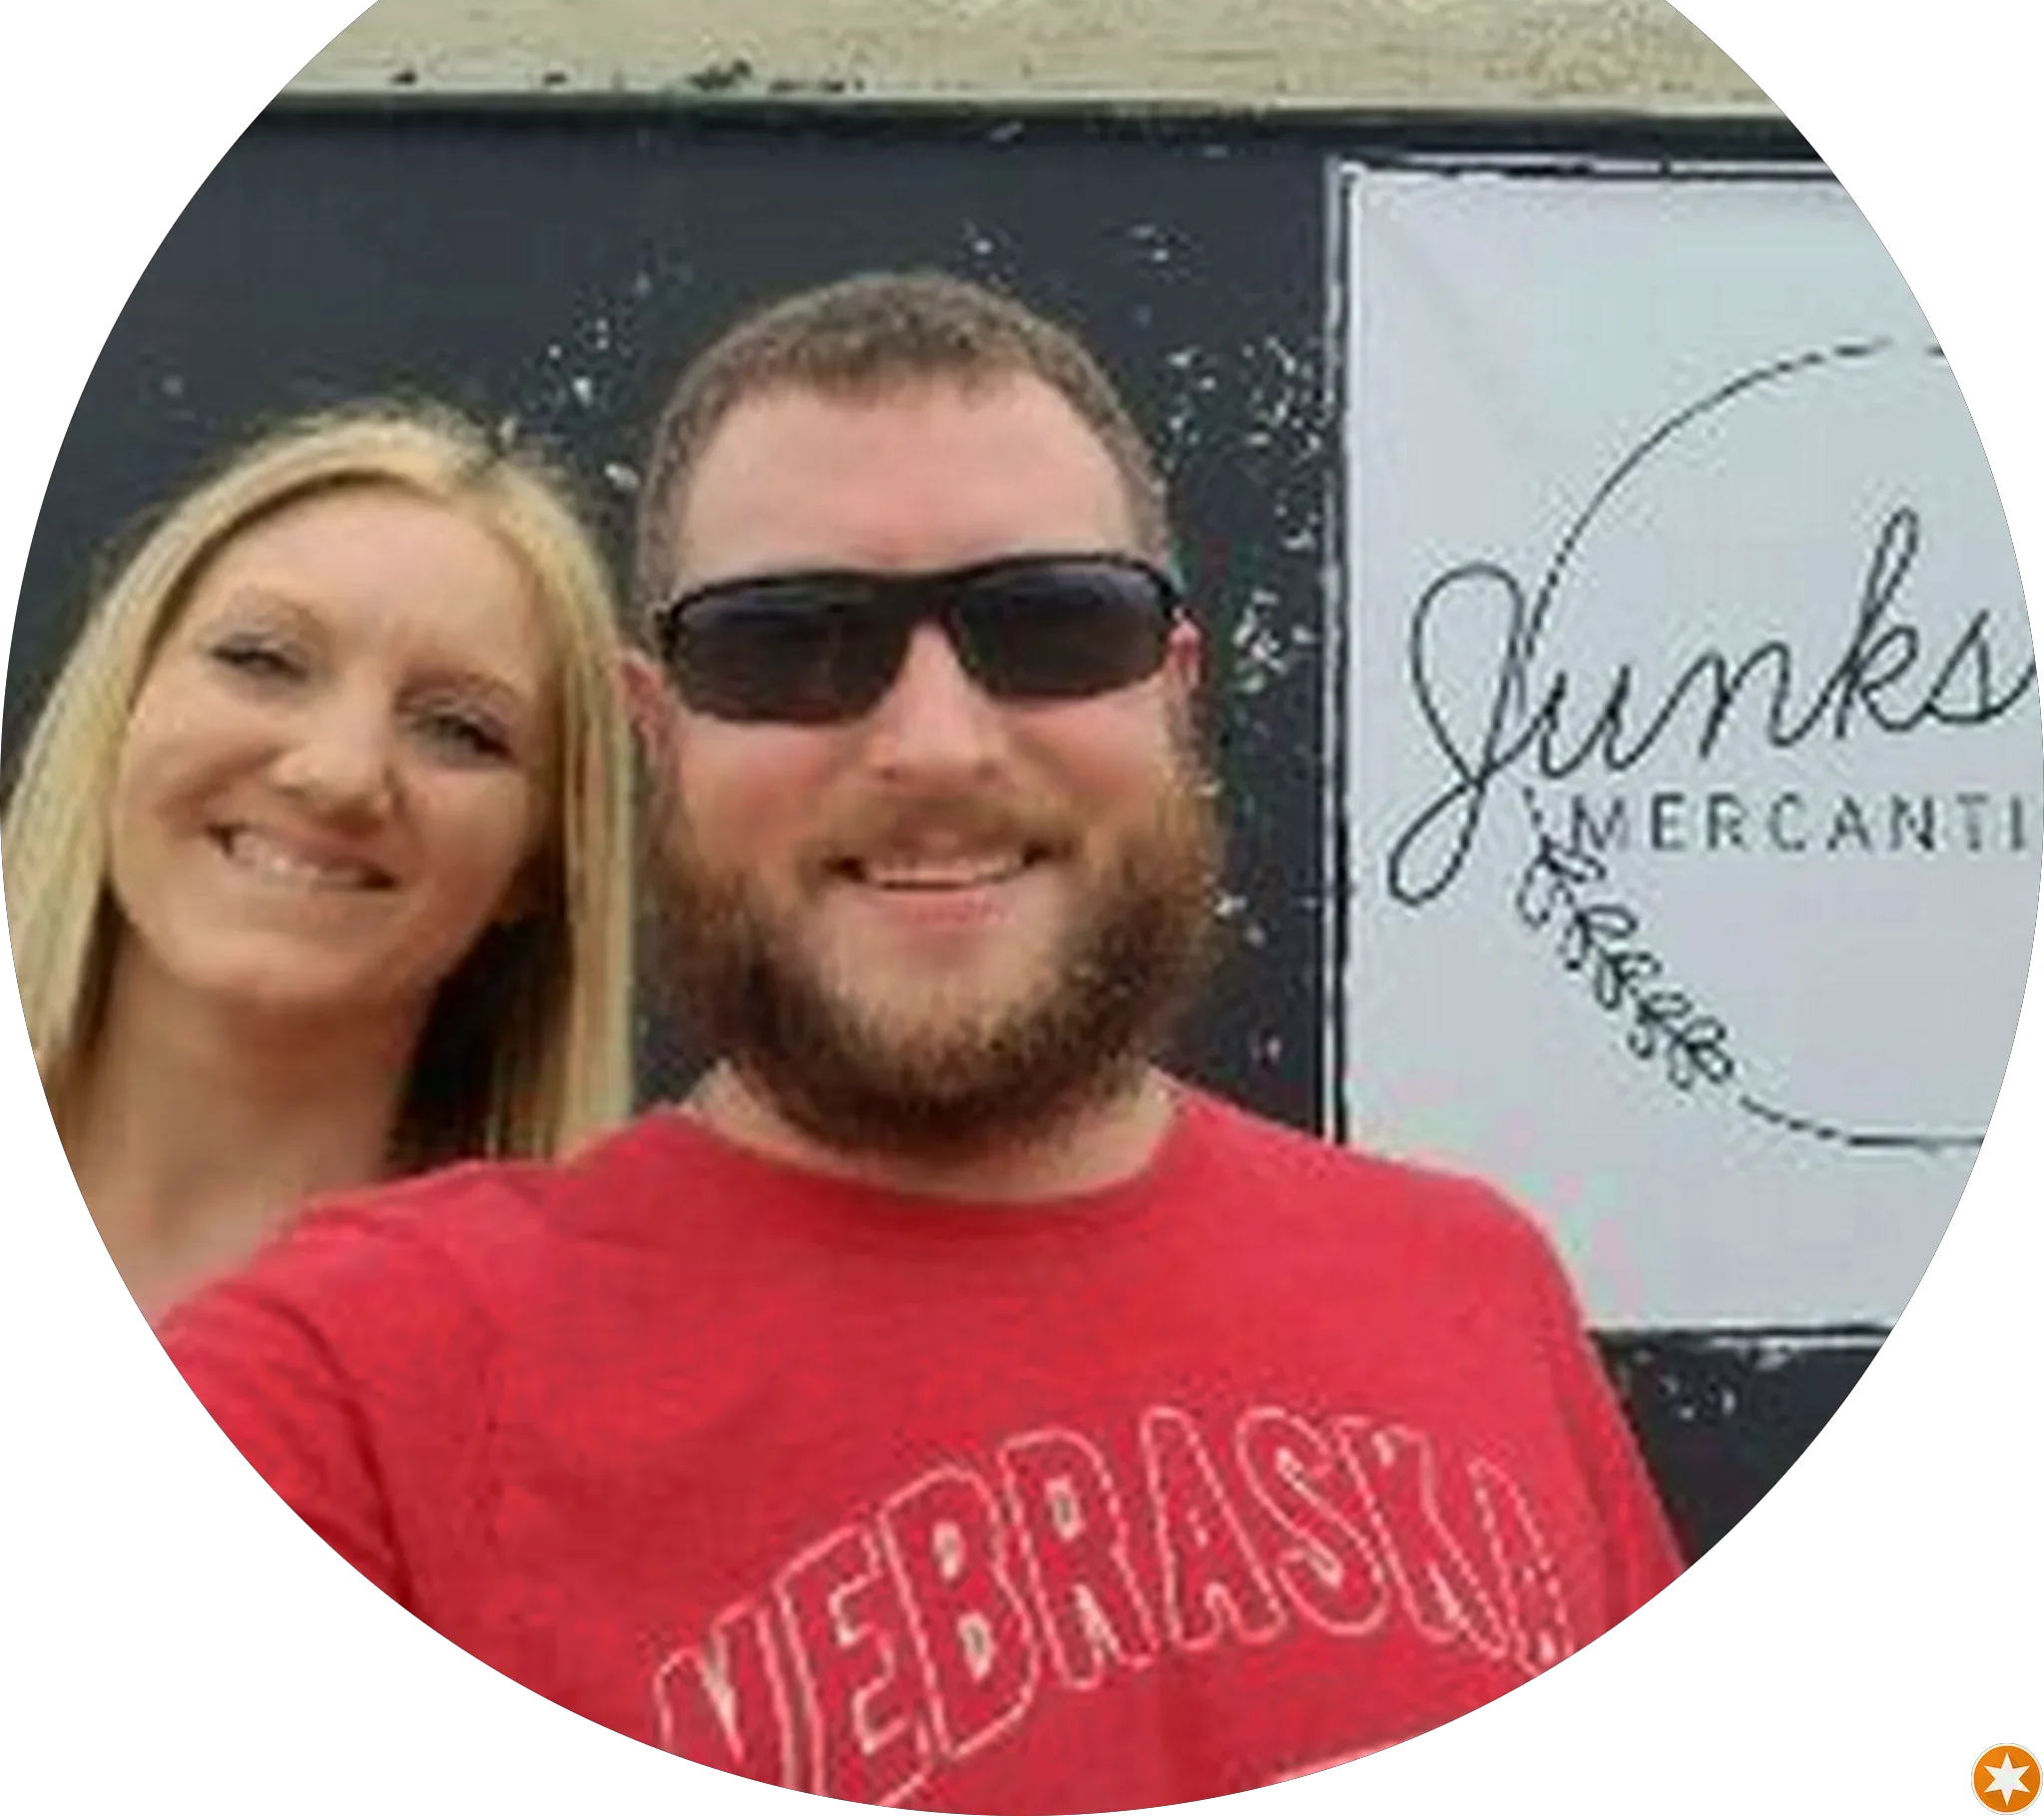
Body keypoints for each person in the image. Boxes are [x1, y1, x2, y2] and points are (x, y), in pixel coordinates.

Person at [159, 277, 1684, 1812]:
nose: (936, 745)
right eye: (791, 644)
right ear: (659, 732)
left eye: (1052, 625)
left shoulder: (1482, 1288)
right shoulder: (350, 1395)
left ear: (1174, 690)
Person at [8, 401, 635, 1320]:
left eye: (458, 730)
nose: (339, 774)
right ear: (124, 700)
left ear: (536, 864)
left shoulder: (562, 1367)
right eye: (262, 659)